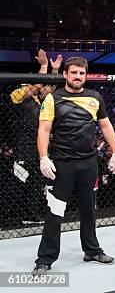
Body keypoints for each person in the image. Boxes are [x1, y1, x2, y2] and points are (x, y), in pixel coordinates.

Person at [32, 56, 115, 275]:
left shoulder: (95, 97)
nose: (78, 77)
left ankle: (91, 250)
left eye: (81, 73)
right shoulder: (53, 98)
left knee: (89, 210)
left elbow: (106, 125)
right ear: (65, 74)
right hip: (62, 164)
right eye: (74, 73)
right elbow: (44, 129)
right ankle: (45, 258)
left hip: (88, 163)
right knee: (55, 212)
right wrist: (43, 157)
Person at [9, 50, 62, 222]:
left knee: (36, 184)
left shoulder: (38, 100)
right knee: (17, 184)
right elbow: (37, 86)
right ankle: (5, 216)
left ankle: (31, 214)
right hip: (22, 150)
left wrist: (54, 71)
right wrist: (44, 66)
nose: (38, 87)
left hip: (37, 149)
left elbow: (48, 89)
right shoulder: (16, 95)